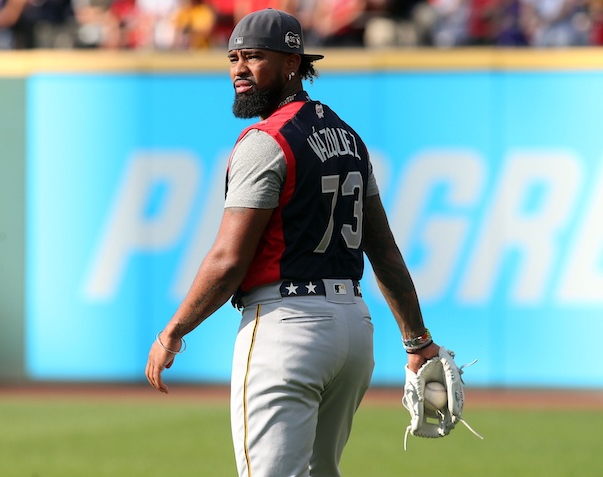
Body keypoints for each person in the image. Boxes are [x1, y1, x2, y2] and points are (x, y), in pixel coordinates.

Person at [146, 8, 441, 477]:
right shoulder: (349, 139)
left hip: (288, 328)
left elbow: (227, 261)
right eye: (234, 58)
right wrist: (416, 339)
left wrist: (174, 331)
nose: (240, 69)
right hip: (353, 331)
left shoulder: (267, 140)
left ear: (292, 63)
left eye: (255, 57)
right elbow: (382, 249)